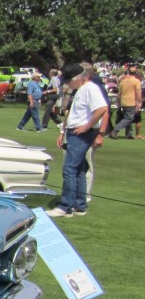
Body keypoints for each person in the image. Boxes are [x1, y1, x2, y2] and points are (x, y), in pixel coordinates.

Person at [46, 63, 109, 218]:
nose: (68, 84)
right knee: (80, 169)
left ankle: (65, 206)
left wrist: (87, 126)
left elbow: (102, 109)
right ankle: (79, 205)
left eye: (69, 81)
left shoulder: (90, 88)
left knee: (69, 169)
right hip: (75, 131)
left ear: (78, 78)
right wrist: (63, 131)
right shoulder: (82, 89)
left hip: (80, 133)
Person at [111, 65, 141, 139]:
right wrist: (139, 102)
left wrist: (118, 102)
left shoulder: (123, 81)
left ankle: (128, 134)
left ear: (128, 72)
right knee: (129, 118)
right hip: (131, 102)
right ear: (136, 73)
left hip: (123, 101)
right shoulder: (136, 81)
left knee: (127, 117)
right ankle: (115, 130)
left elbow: (119, 94)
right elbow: (138, 93)